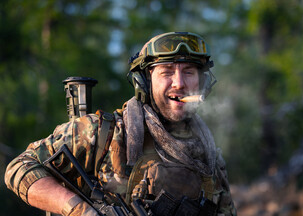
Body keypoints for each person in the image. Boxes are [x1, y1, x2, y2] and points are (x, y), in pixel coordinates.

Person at [4, 32, 237, 216]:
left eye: (189, 72)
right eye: (166, 72)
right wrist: (80, 210)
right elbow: (20, 167)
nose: (179, 83)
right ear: (144, 82)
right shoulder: (103, 133)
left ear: (202, 83)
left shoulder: (209, 158)